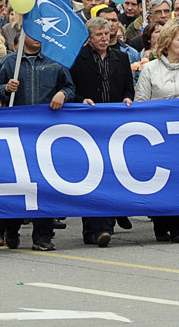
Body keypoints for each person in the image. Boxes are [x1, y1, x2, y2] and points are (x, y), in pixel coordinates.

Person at [0, 34, 74, 250]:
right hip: (16, 134)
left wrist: (63, 94)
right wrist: (5, 89)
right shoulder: (9, 62)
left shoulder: (55, 61)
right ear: (23, 35)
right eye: (33, 33)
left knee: (45, 184)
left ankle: (43, 236)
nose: (38, 38)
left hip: (45, 135)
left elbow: (70, 87)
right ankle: (11, 228)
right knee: (17, 184)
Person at [133, 22, 179, 243]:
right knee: (163, 179)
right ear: (167, 42)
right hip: (158, 134)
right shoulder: (150, 69)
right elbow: (141, 102)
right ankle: (161, 223)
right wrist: (167, 104)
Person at [70, 16, 135, 247]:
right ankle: (96, 227)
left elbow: (128, 87)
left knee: (110, 174)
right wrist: (80, 100)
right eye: (99, 34)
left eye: (107, 34)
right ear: (89, 37)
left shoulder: (122, 57)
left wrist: (128, 97)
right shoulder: (77, 59)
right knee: (91, 173)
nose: (104, 38)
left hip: (114, 125)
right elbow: (70, 89)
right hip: (88, 125)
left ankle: (104, 225)